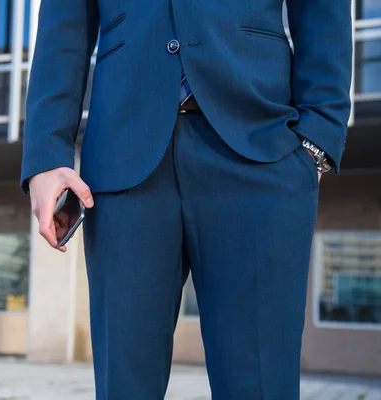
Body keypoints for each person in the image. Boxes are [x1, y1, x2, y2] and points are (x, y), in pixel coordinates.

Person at [20, 0, 353, 398]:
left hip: (261, 154)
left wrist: (318, 139)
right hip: (123, 160)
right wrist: (45, 155)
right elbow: (62, 26)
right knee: (124, 387)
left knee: (261, 386)